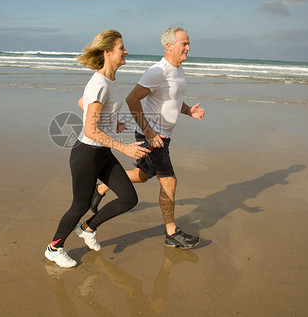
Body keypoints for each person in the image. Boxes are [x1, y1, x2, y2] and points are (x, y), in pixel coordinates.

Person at [91, 26, 205, 249]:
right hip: (153, 137)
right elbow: (132, 99)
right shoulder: (157, 72)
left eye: (188, 43)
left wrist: (189, 110)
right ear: (169, 46)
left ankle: (102, 187)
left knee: (142, 175)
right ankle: (171, 232)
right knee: (169, 181)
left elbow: (171, 100)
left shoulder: (178, 70)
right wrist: (149, 131)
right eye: (184, 44)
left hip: (163, 136)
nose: (188, 48)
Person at [45, 30, 151, 268]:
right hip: (86, 154)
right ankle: (54, 247)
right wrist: (125, 148)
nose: (125, 51)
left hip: (102, 154)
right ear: (107, 52)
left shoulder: (110, 81)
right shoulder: (99, 83)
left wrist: (112, 122)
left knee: (128, 198)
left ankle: (88, 228)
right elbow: (91, 131)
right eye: (121, 47)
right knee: (80, 205)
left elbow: (83, 103)